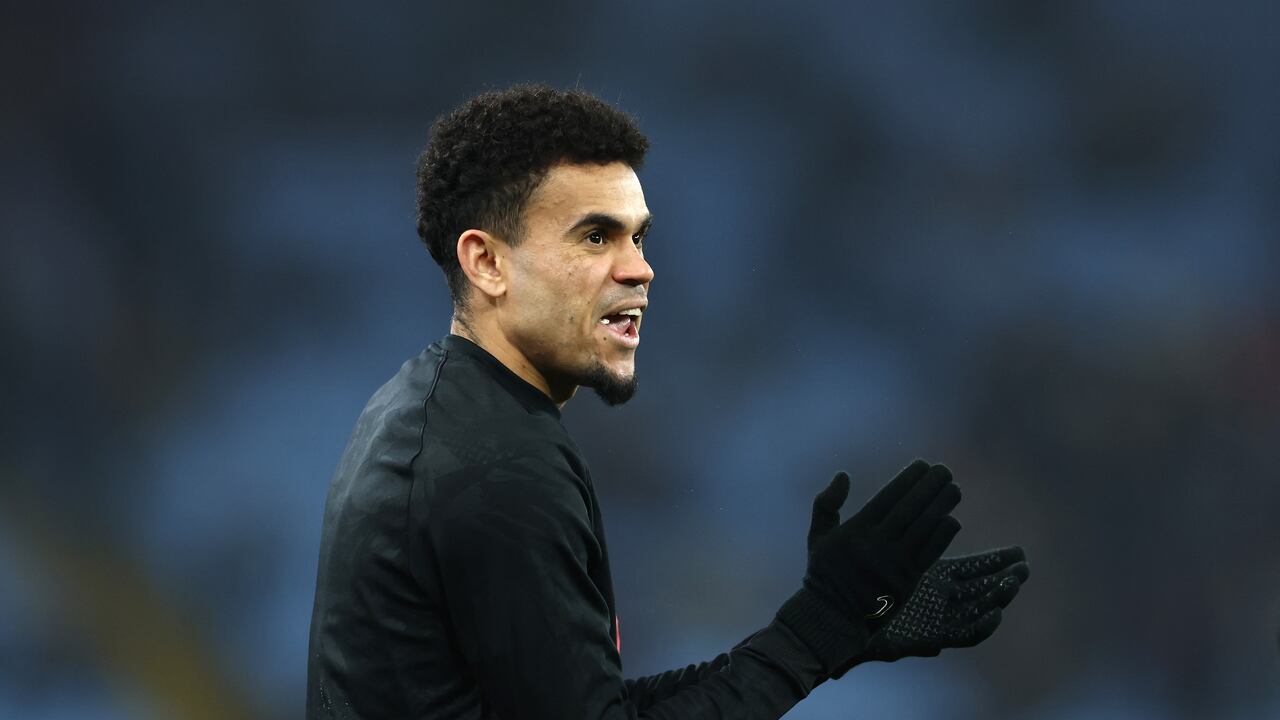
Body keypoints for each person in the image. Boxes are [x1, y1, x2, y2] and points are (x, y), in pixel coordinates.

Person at [305, 84, 1030, 719]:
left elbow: (588, 704)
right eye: (595, 236)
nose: (639, 269)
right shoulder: (494, 469)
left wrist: (825, 633)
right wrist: (820, 627)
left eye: (638, 237)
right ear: (487, 262)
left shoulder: (434, 409)